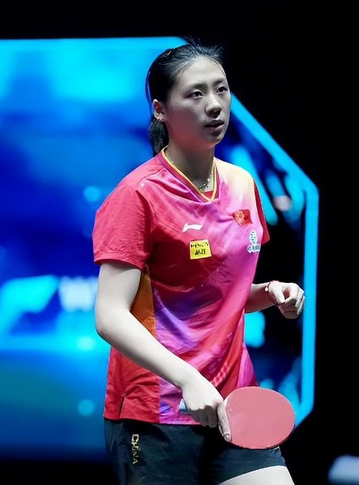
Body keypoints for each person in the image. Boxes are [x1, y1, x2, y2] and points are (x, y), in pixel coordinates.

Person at [92, 42, 305, 484]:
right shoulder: (137, 196)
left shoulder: (242, 184)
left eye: (221, 90)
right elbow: (110, 316)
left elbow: (212, 297)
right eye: (195, 94)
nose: (214, 105)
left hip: (234, 401)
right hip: (158, 410)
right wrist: (186, 378)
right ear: (160, 110)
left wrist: (269, 294)